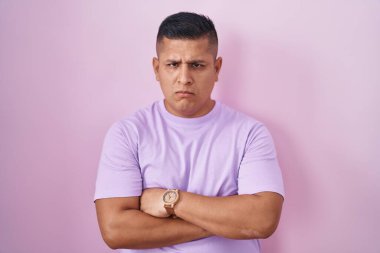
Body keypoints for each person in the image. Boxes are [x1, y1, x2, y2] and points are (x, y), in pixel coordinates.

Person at [94, 12, 284, 253]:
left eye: (197, 65)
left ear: (216, 69)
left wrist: (171, 201)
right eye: (173, 64)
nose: (184, 78)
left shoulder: (250, 134)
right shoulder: (127, 133)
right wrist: (224, 221)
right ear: (156, 68)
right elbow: (116, 231)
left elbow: (262, 220)